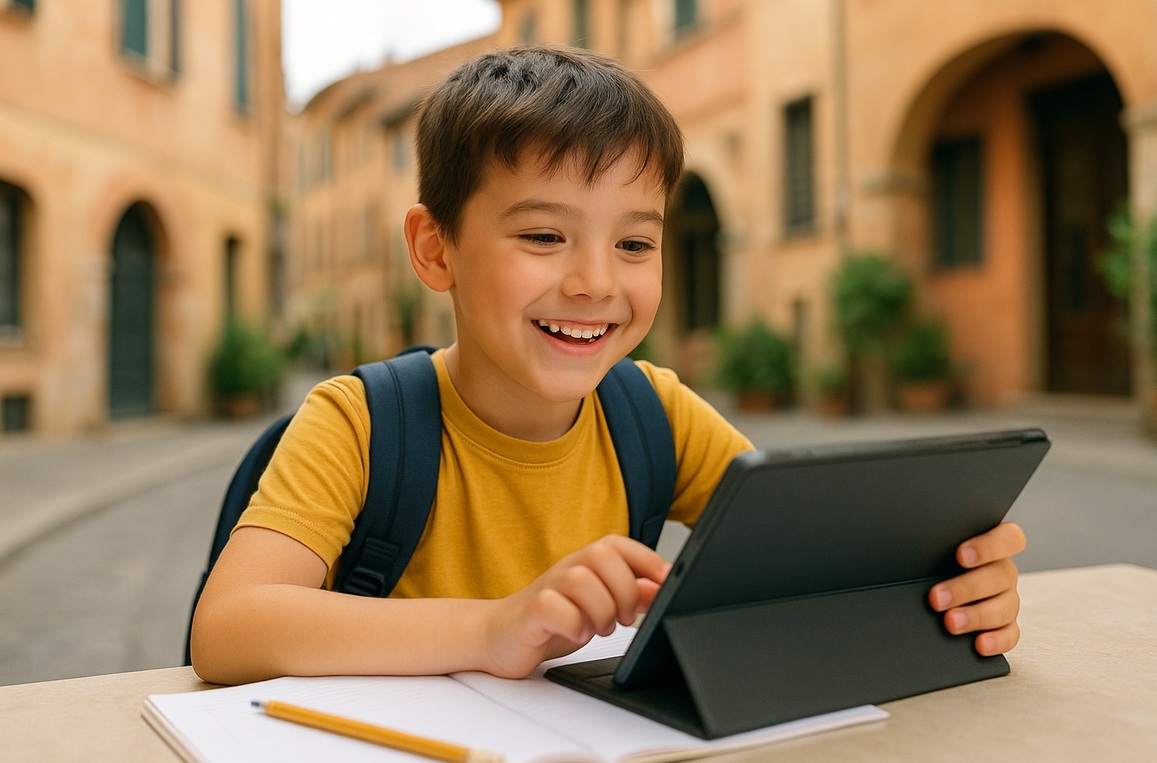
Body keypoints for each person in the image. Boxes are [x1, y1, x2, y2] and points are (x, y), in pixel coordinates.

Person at [189, 45, 1025, 686]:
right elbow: (226, 630)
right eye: (544, 236)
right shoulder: (359, 425)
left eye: (635, 243)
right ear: (436, 247)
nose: (595, 283)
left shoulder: (652, 411)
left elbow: (809, 549)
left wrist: (945, 581)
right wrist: (493, 628)